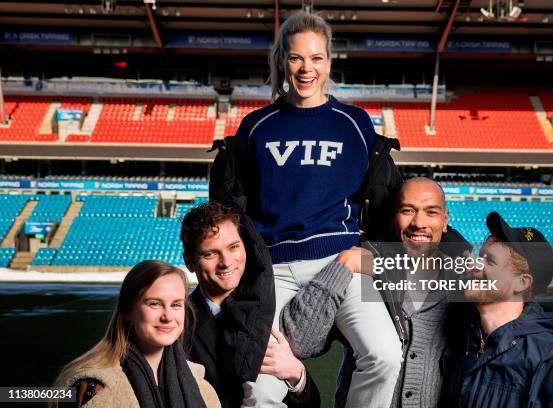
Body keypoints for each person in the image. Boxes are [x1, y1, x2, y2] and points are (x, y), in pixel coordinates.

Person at [209, 10, 403, 408]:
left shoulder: (354, 122)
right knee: (260, 387)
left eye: (316, 58)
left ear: (329, 62)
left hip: (341, 261)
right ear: (283, 61)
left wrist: (373, 252)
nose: (306, 68)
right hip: (274, 269)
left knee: (385, 356)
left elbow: (379, 196)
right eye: (296, 58)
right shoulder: (256, 126)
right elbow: (234, 204)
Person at [281, 177, 472, 408]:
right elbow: (301, 342)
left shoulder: (464, 283)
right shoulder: (365, 275)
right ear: (393, 215)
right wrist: (342, 266)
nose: (419, 222)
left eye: (431, 212)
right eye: (407, 210)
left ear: (445, 220)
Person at [440, 211, 553, 407]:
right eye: (480, 256)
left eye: (490, 261)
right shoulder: (465, 339)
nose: (475, 265)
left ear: (522, 283)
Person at [180, 201, 320, 407]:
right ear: (190, 262)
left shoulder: (273, 306)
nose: (226, 262)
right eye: (210, 253)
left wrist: (296, 375)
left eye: (233, 247)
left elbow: (312, 404)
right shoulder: (175, 324)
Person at [52, 260, 221, 408]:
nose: (168, 316)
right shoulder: (91, 387)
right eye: (154, 303)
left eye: (176, 305)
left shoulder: (202, 386)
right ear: (127, 311)